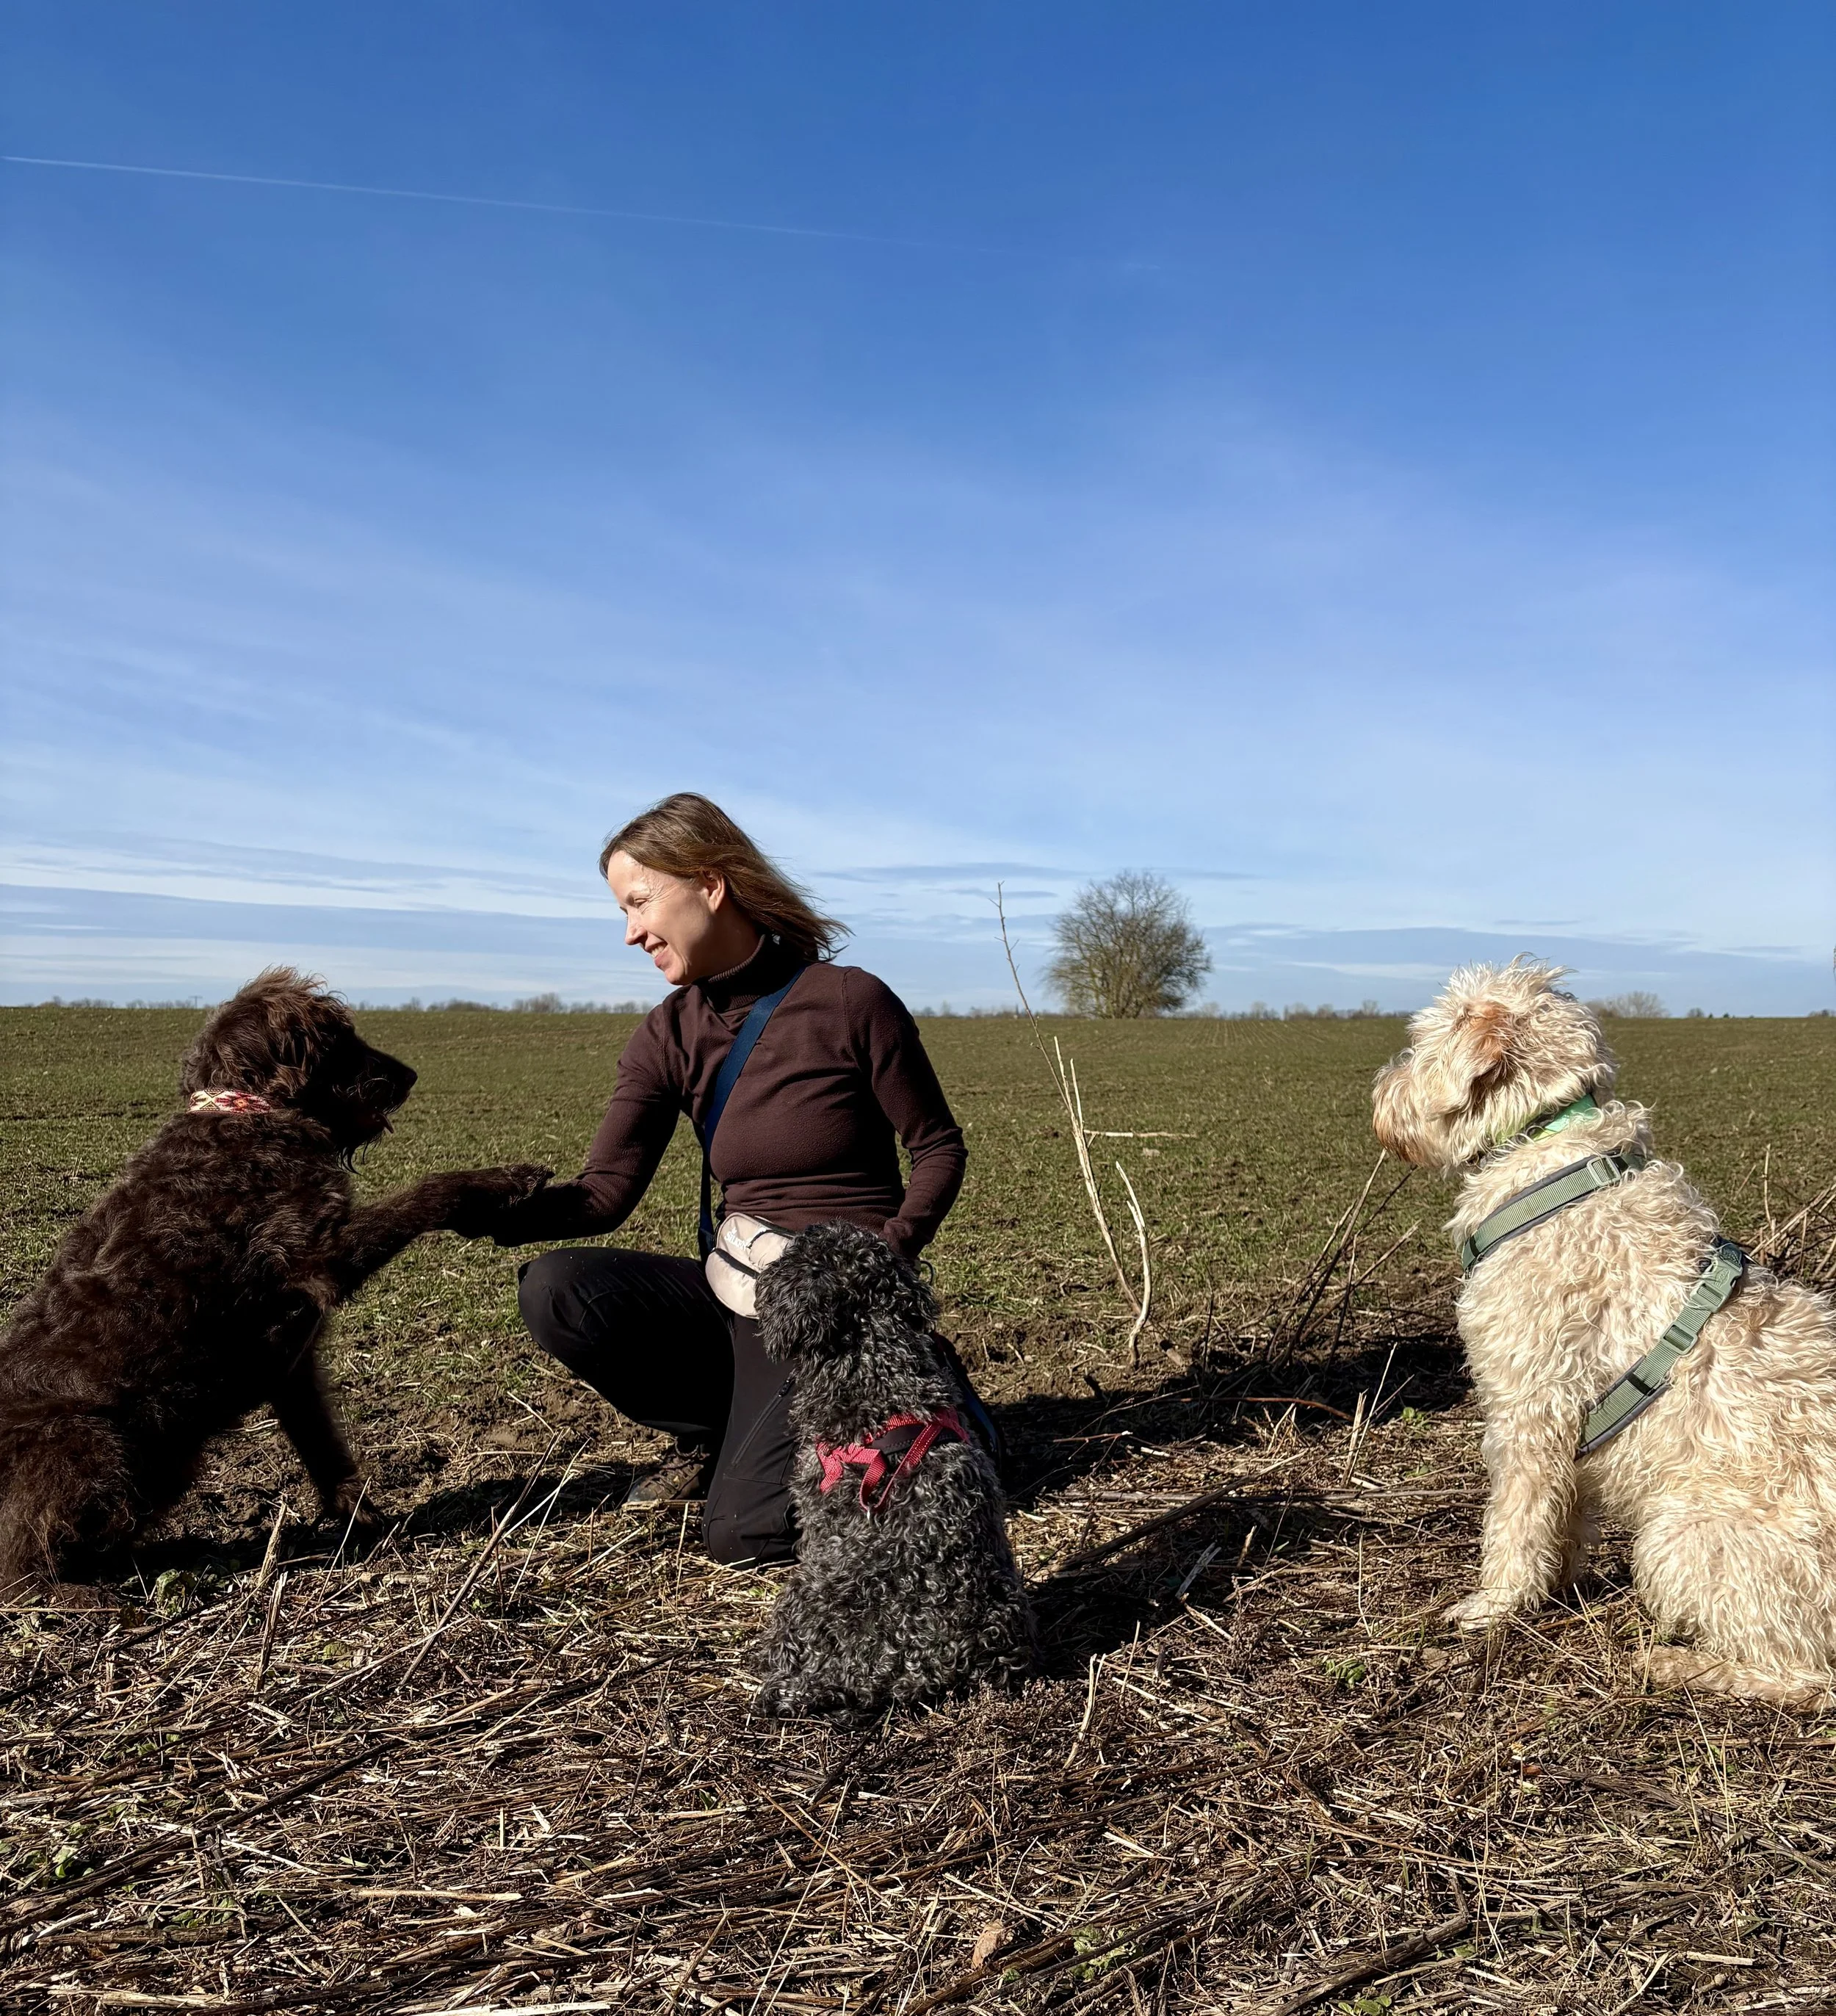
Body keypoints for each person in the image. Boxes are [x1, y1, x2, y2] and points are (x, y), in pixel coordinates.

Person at [480, 793, 969, 1564]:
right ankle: (723, 1431)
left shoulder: (849, 1001)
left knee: (744, 1532)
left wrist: (885, 1258)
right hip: (741, 1292)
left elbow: (937, 1147)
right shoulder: (668, 1033)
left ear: (709, 884)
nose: (631, 931)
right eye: (623, 909)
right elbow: (603, 1193)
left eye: (640, 902)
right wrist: (465, 1208)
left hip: (837, 1307)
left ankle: (921, 1395)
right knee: (558, 1290)